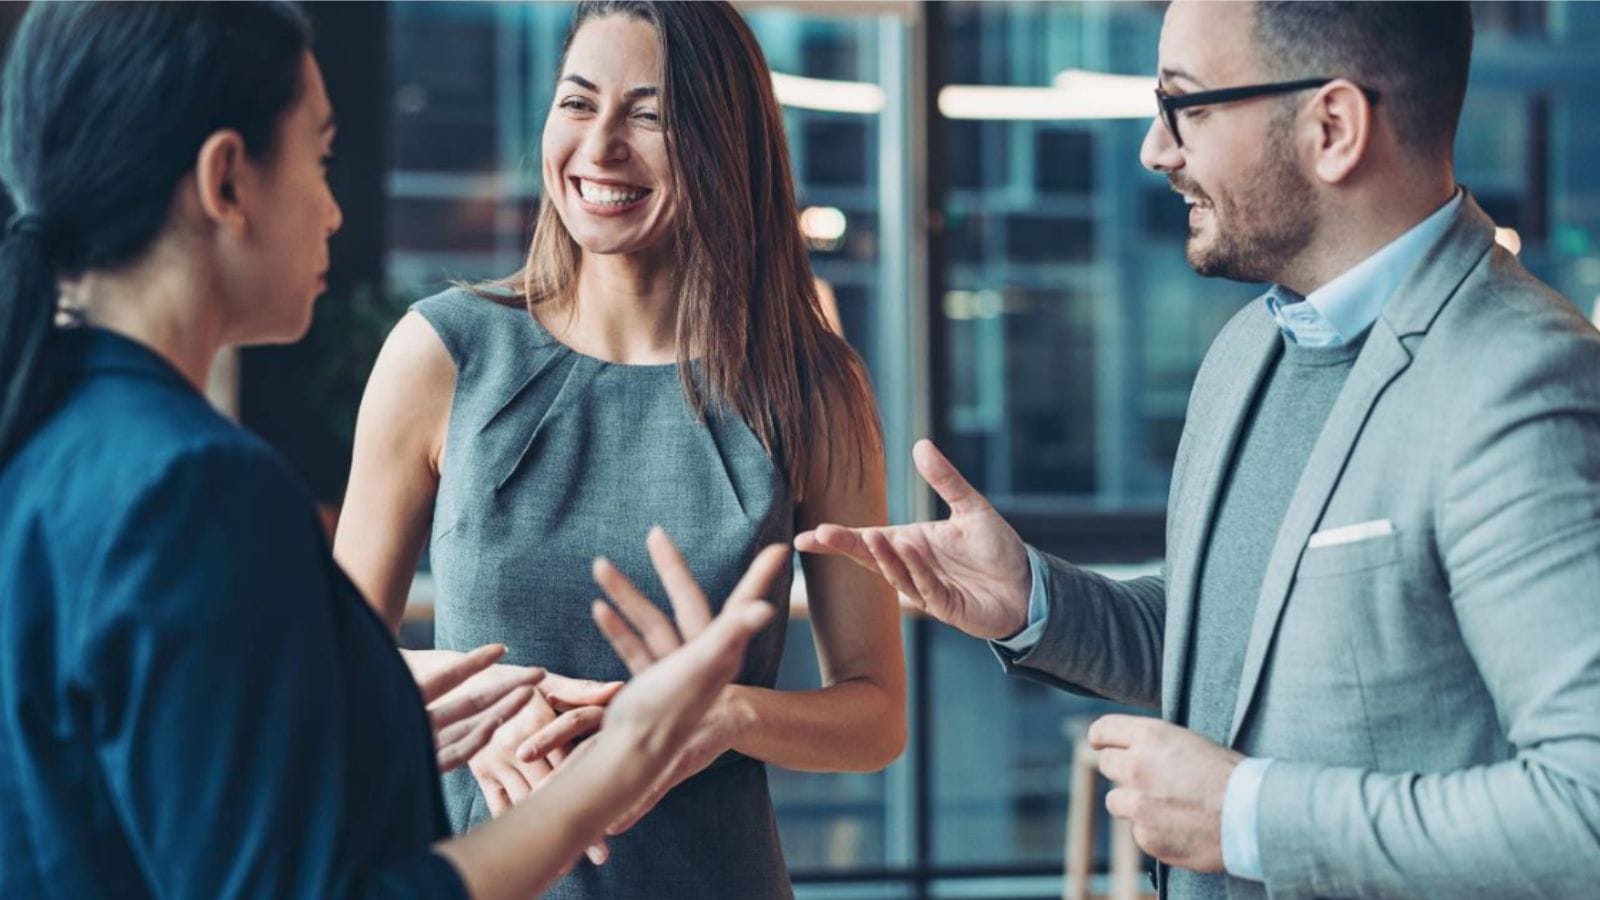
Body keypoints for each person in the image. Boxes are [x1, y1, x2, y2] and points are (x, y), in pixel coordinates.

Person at [800, 2, 1600, 897]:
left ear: (1330, 127)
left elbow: (1585, 813)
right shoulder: (1249, 349)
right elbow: (1240, 651)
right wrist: (1035, 601)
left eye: (1188, 105)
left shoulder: (1519, 379)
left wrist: (1247, 817)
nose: (1155, 148)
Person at [0, 4, 788, 898]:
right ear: (228, 181)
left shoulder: (42, 430)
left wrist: (387, 710)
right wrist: (629, 754)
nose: (336, 210)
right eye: (321, 157)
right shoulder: (194, 485)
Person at [334, 3, 906, 896]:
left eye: (648, 114)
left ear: (723, 141)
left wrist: (722, 716)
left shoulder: (812, 387)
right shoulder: (441, 354)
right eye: (577, 103)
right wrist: (481, 705)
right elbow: (329, 668)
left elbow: (875, 717)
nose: (600, 147)